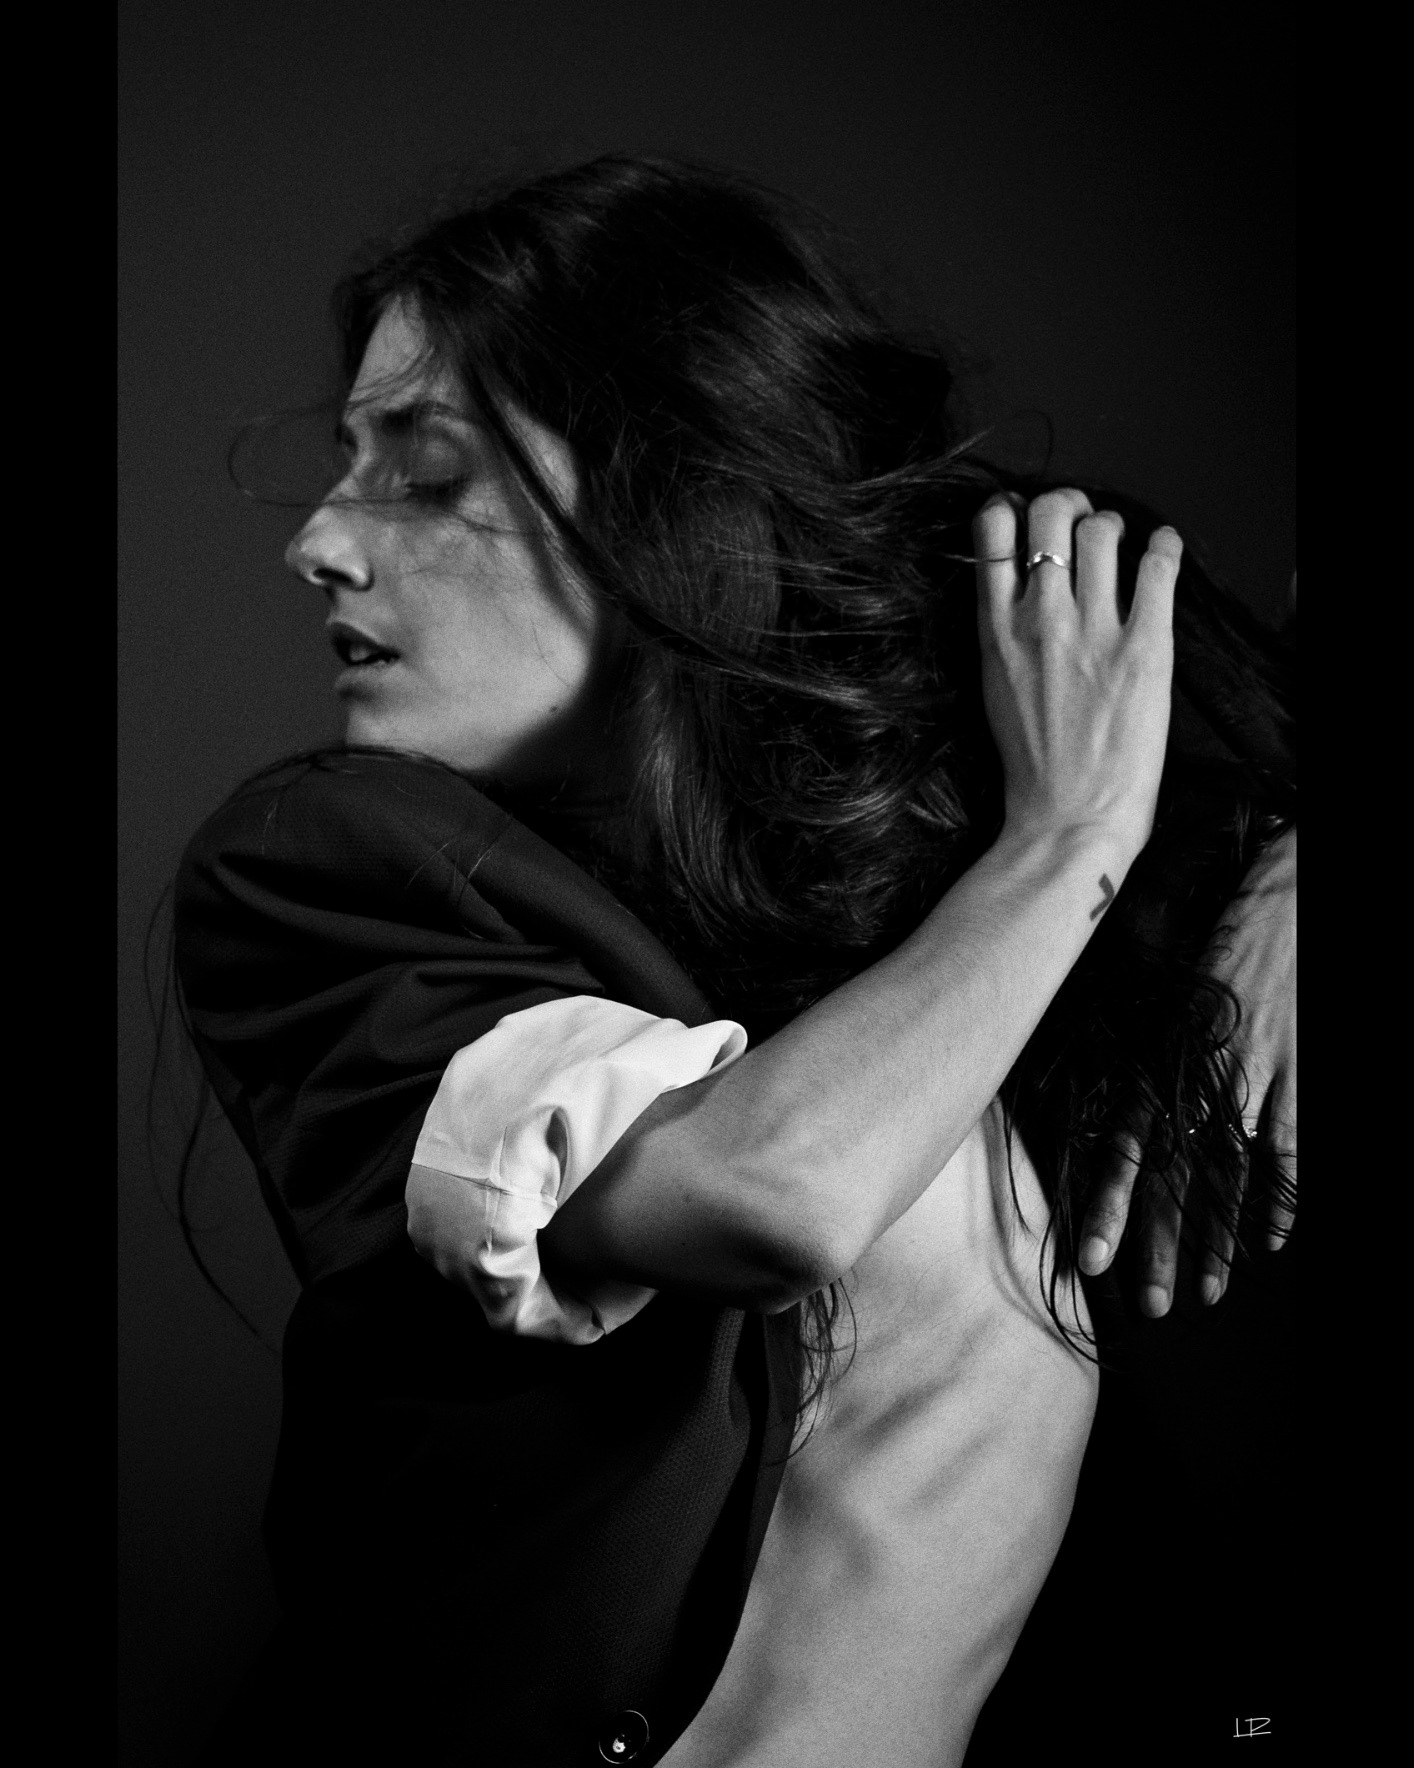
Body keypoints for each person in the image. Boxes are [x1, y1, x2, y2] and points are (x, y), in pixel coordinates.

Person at [174, 155, 1295, 1765]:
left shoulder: (941, 889)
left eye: (420, 474)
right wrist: (1068, 839)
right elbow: (769, 1194)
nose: (316, 541)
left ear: (667, 497)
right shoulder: (328, 877)